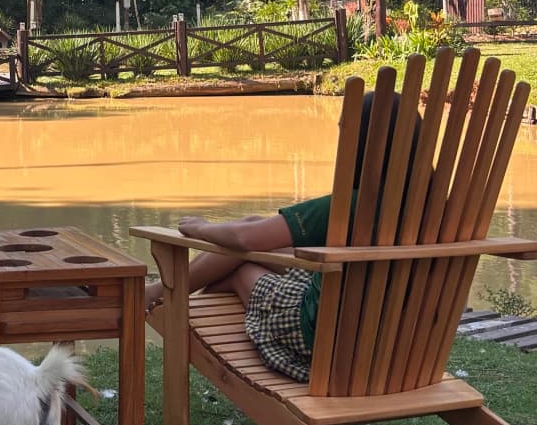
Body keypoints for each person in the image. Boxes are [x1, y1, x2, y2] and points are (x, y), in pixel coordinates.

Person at [147, 92, 415, 383]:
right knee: (253, 228)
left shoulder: (352, 205)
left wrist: (199, 227)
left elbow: (244, 239)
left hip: (325, 337)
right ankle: (162, 293)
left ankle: (160, 296)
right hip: (395, 339)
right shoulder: (436, 208)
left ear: (362, 145)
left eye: (343, 133)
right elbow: (254, 230)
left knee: (241, 265)